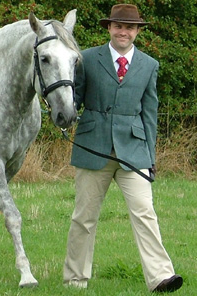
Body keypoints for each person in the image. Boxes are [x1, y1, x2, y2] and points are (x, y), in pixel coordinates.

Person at [63, 4, 183, 293]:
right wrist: (62, 115)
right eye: (118, 26)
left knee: (145, 213)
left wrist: (151, 159)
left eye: (129, 27)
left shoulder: (149, 65)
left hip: (134, 151)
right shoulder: (87, 59)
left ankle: (161, 277)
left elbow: (149, 114)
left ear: (137, 31)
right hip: (93, 148)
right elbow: (73, 98)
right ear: (109, 28)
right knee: (84, 218)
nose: (123, 32)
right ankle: (75, 281)